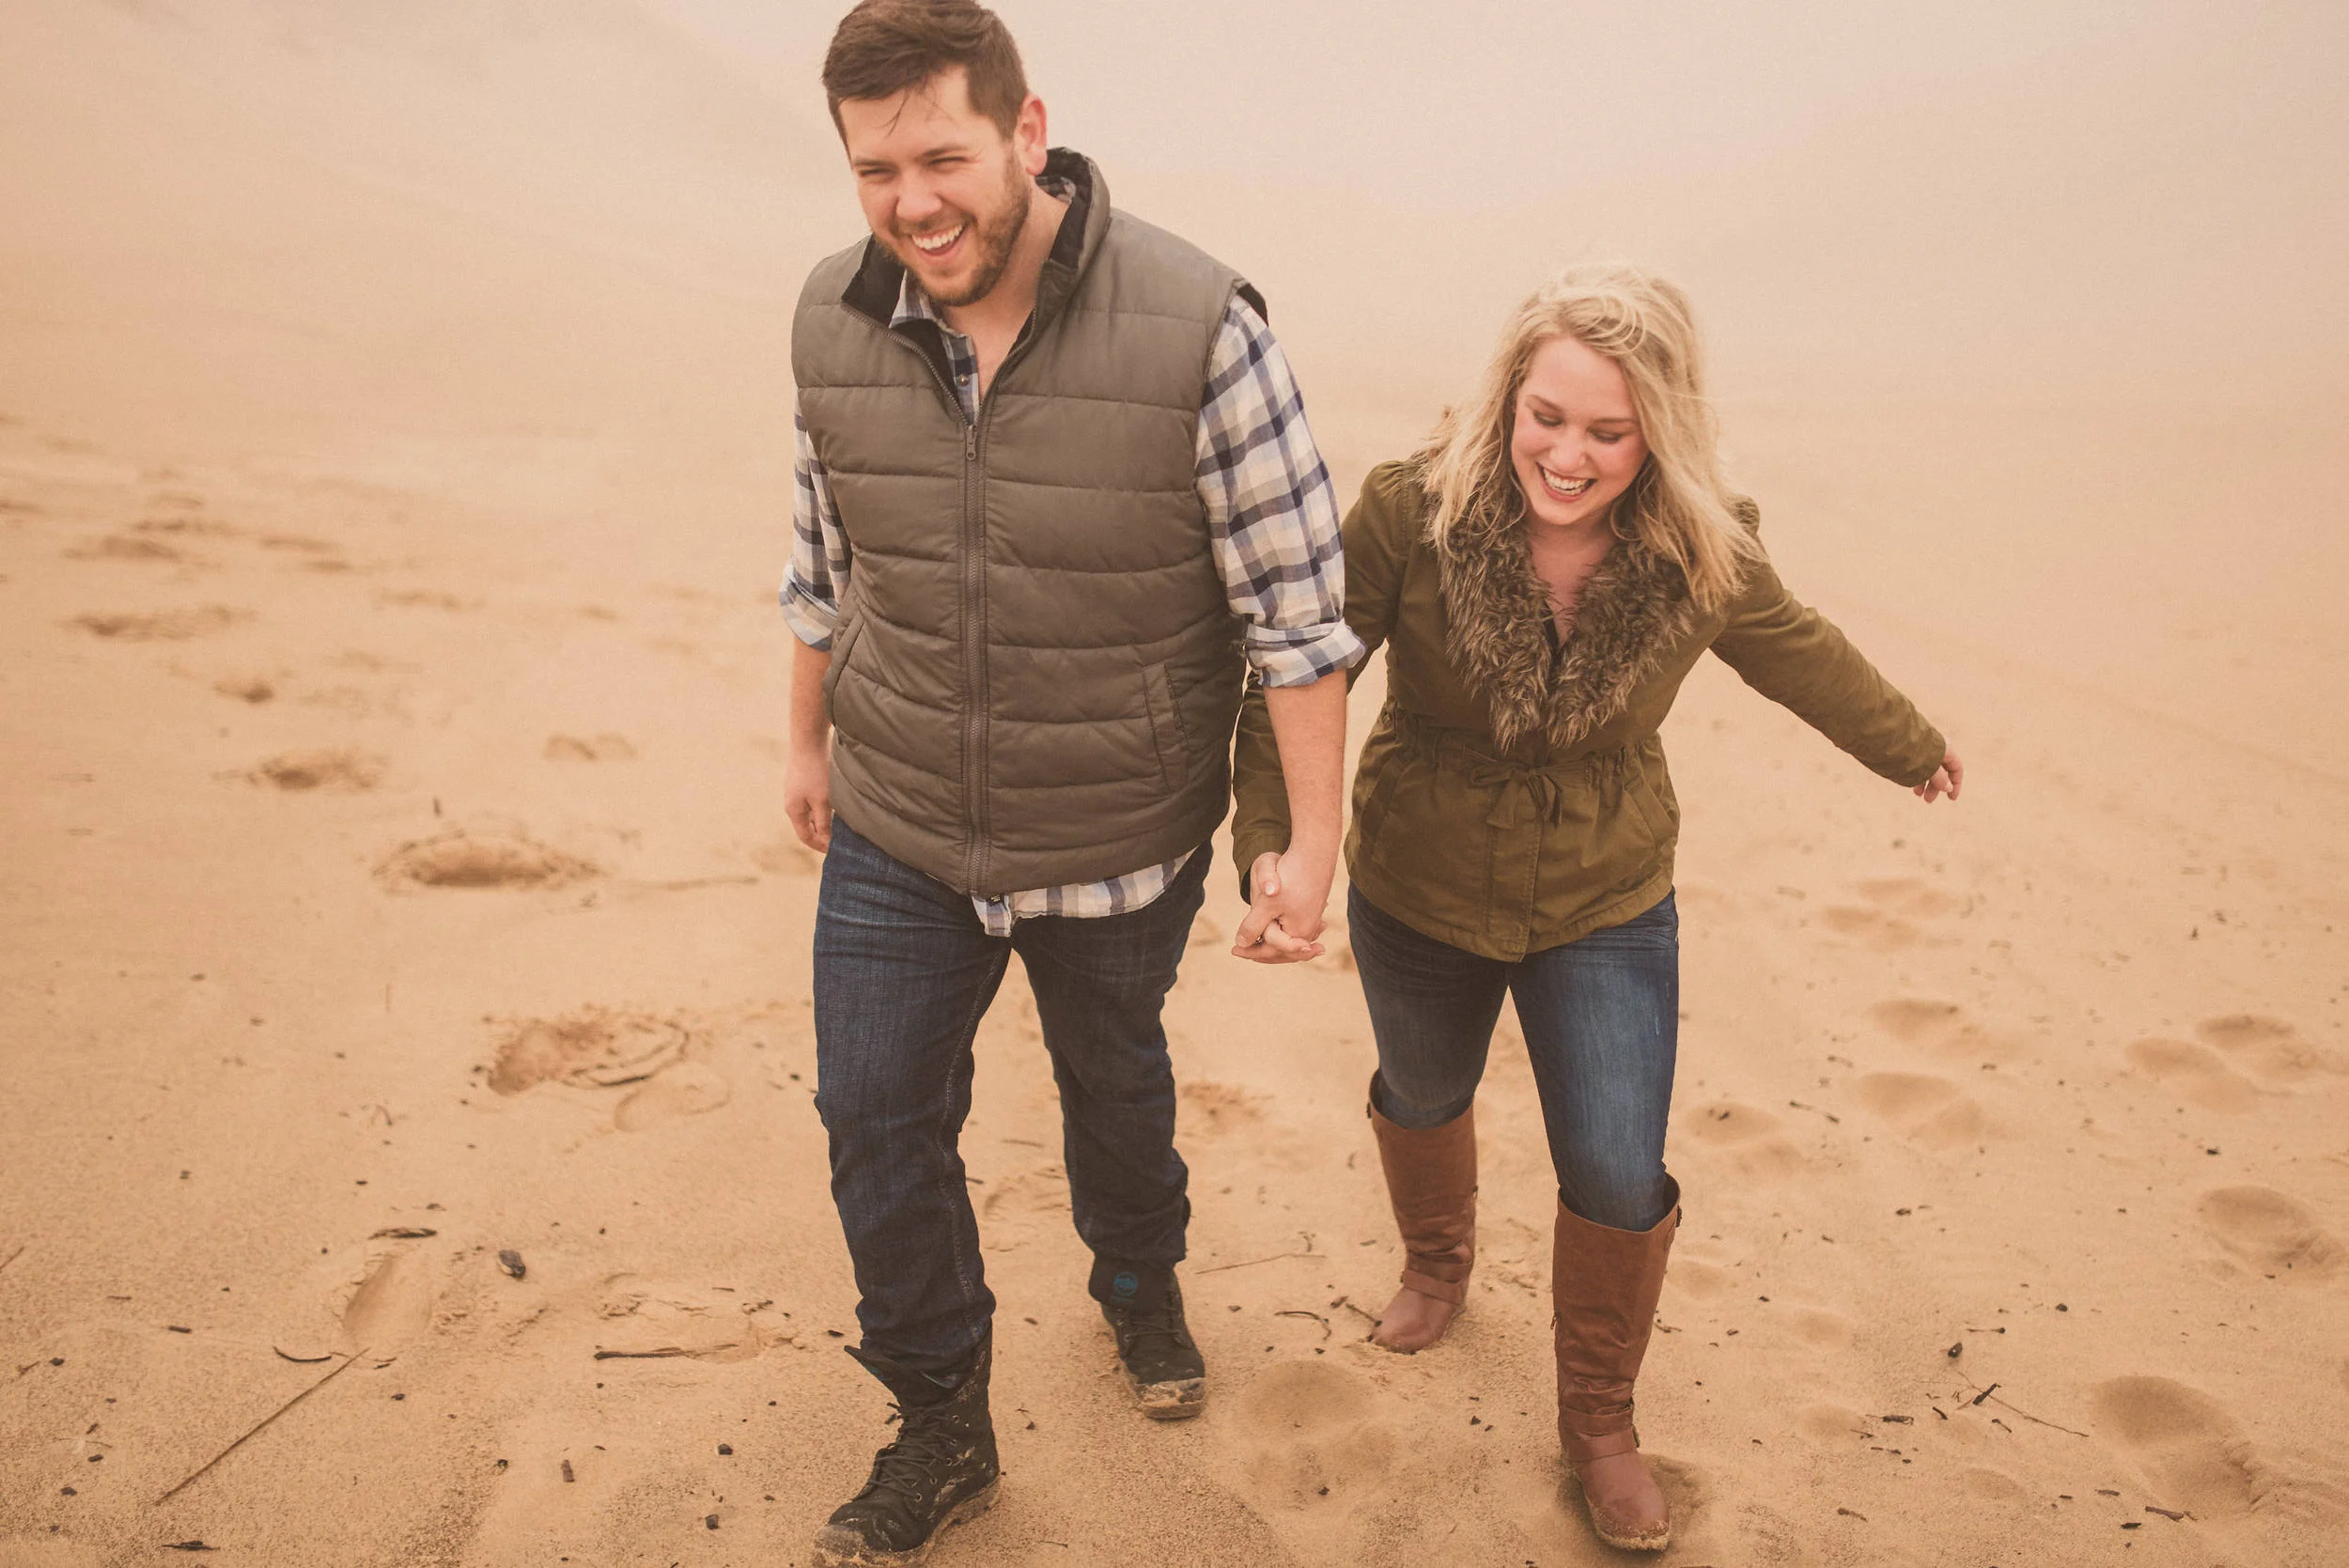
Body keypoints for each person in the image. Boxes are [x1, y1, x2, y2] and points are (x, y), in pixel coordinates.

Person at [1230, 264, 1963, 1553]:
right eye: (1546, 416)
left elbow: (1797, 647)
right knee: (1421, 1088)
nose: (1567, 454)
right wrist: (1281, 850)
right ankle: (1437, 1265)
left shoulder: (1701, 542)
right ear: (1508, 398)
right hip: (1421, 871)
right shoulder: (1416, 507)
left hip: (1605, 891)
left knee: (1619, 1170)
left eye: (1607, 432)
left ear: (1657, 434)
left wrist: (1908, 742)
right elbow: (1305, 670)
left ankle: (1601, 1426)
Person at [782, 2, 1358, 1561]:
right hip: (902, 819)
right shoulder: (833, 321)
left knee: (1113, 1082)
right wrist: (805, 741)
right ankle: (941, 1421)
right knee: (875, 1113)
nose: (913, 202)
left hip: (1118, 833)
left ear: (1028, 135)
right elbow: (826, 566)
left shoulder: (1199, 326)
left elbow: (1299, 615)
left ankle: (1139, 1282)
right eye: (875, 168)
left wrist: (1313, 844)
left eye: (944, 155)